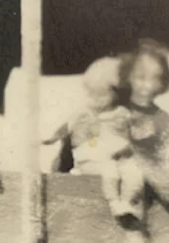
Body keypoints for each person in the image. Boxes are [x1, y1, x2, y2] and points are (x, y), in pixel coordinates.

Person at [44, 56, 146, 224]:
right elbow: (67, 132)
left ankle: (127, 202)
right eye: (92, 95)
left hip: (117, 158)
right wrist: (54, 138)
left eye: (102, 96)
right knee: (99, 166)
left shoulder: (124, 113)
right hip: (90, 158)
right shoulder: (85, 114)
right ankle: (115, 202)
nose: (96, 101)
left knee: (133, 172)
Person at [122, 41, 169, 206]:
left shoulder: (167, 124)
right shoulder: (110, 113)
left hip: (149, 206)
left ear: (164, 81)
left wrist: (150, 173)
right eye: (140, 77)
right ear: (127, 76)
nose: (148, 85)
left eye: (156, 78)